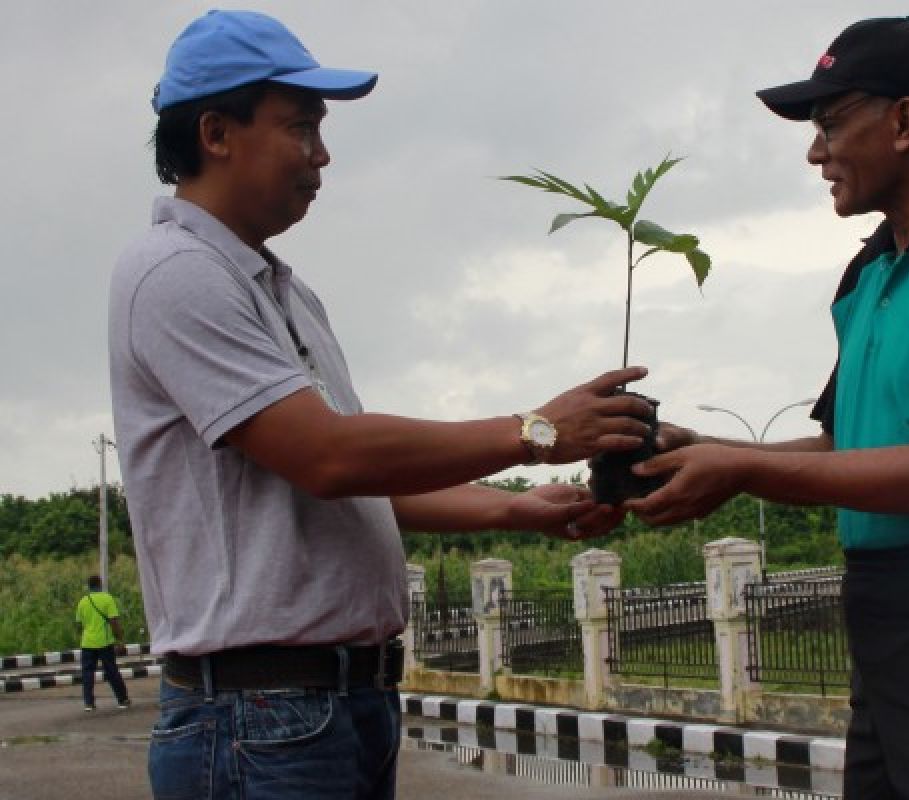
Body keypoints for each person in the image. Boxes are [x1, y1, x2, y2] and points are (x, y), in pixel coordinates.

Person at [109, 10, 650, 799]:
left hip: (334, 704)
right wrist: (535, 431)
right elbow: (328, 456)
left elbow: (360, 478)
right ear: (217, 132)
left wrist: (513, 511)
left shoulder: (283, 294)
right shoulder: (173, 273)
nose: (321, 154)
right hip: (260, 715)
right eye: (300, 127)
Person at [627, 16, 909, 800]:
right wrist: (698, 447)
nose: (816, 153)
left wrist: (737, 468)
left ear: (904, 121)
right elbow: (844, 445)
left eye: (832, 124)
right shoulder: (871, 271)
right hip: (886, 604)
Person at [75, 575, 131, 712]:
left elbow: (78, 624)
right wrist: (120, 639)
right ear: (100, 584)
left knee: (87, 673)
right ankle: (122, 699)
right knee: (112, 672)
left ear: (88, 586)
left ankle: (89, 703)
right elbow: (114, 622)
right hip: (105, 642)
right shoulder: (107, 598)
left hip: (87, 643)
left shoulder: (83, 601)